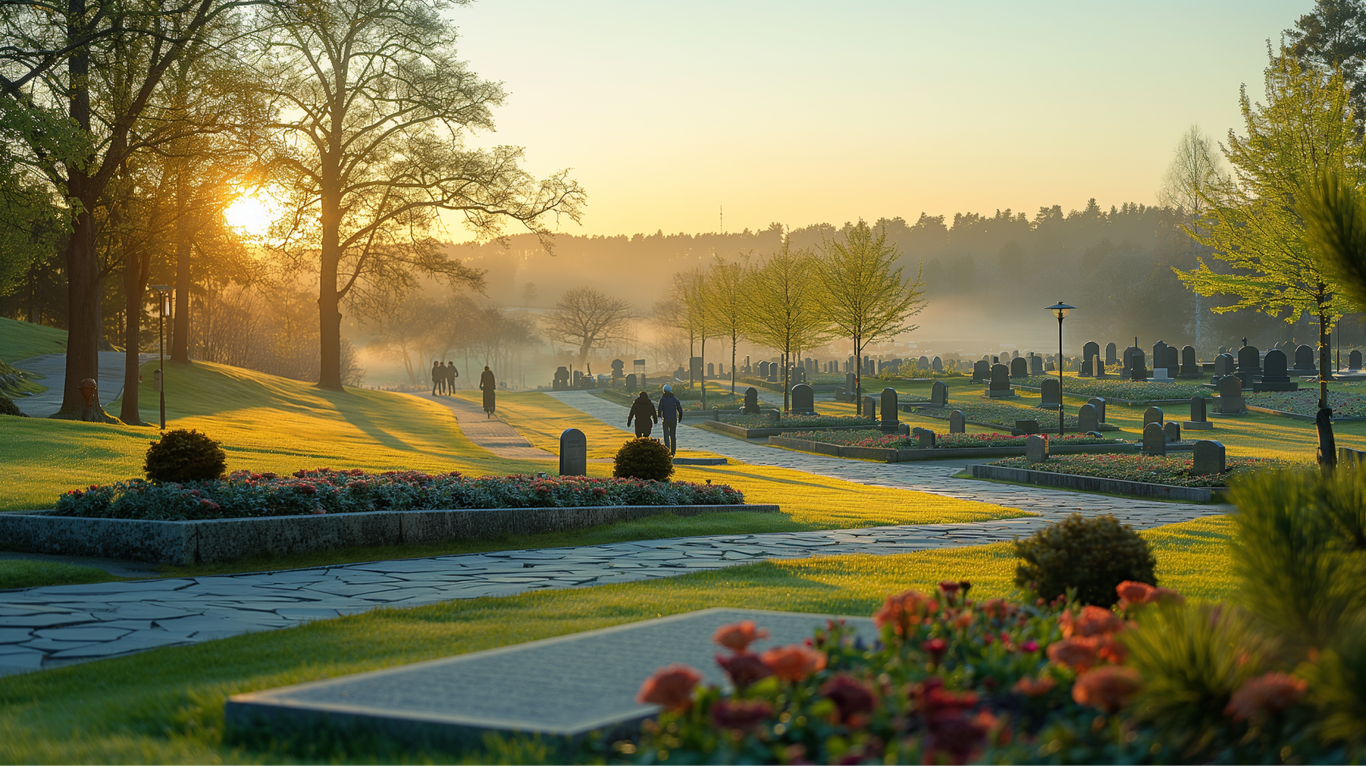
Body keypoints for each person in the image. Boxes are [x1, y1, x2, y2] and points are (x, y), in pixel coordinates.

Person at [657, 384, 683, 455]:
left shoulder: (662, 399)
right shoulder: (675, 399)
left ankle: (667, 449)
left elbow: (659, 409)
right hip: (673, 419)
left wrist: (659, 416)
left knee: (666, 435)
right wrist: (680, 417)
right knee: (672, 435)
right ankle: (673, 451)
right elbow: (680, 410)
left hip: (665, 419)